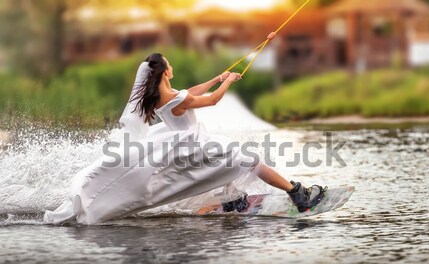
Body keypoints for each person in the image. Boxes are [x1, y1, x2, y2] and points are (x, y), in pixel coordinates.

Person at [43, 38, 326, 225]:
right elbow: (212, 100)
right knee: (248, 160)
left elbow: (190, 92)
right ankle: (297, 195)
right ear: (165, 70)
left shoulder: (162, 96)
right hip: (195, 144)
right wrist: (227, 82)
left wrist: (217, 77)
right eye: (169, 62)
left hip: (185, 142)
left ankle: (232, 200)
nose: (172, 64)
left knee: (223, 166)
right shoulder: (175, 99)